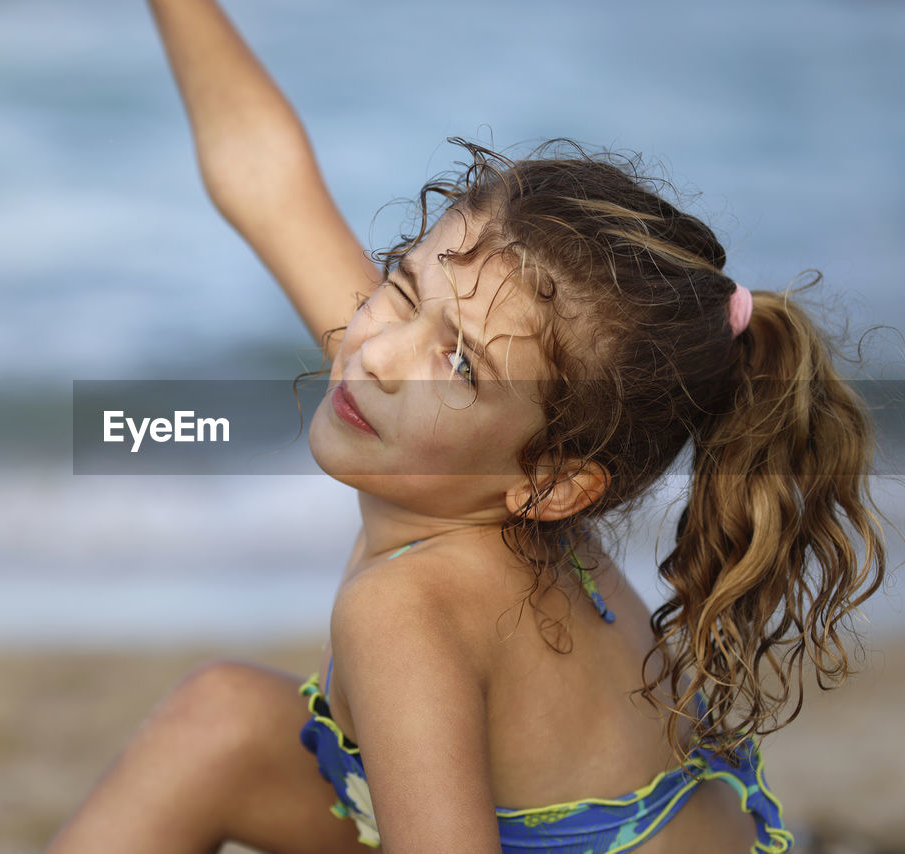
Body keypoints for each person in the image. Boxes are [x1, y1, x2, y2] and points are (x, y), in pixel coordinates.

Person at [49, 1, 887, 852]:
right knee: (221, 717)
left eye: (459, 365)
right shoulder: (494, 448)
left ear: (556, 484)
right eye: (404, 287)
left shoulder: (402, 610)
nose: (374, 351)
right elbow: (268, 184)